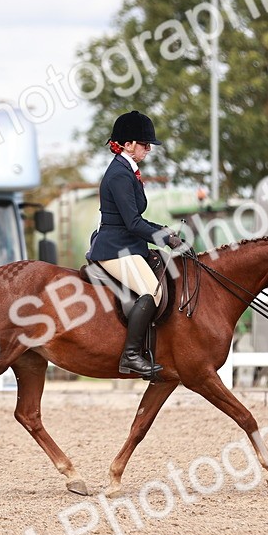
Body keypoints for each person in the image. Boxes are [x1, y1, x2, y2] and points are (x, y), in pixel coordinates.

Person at [86, 110, 184, 379]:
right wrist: (165, 239)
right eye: (144, 144)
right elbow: (131, 224)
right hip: (114, 247)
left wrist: (165, 232)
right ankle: (130, 356)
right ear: (128, 144)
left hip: (126, 244)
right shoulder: (119, 174)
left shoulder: (129, 171)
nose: (148, 149)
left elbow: (137, 219)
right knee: (151, 291)